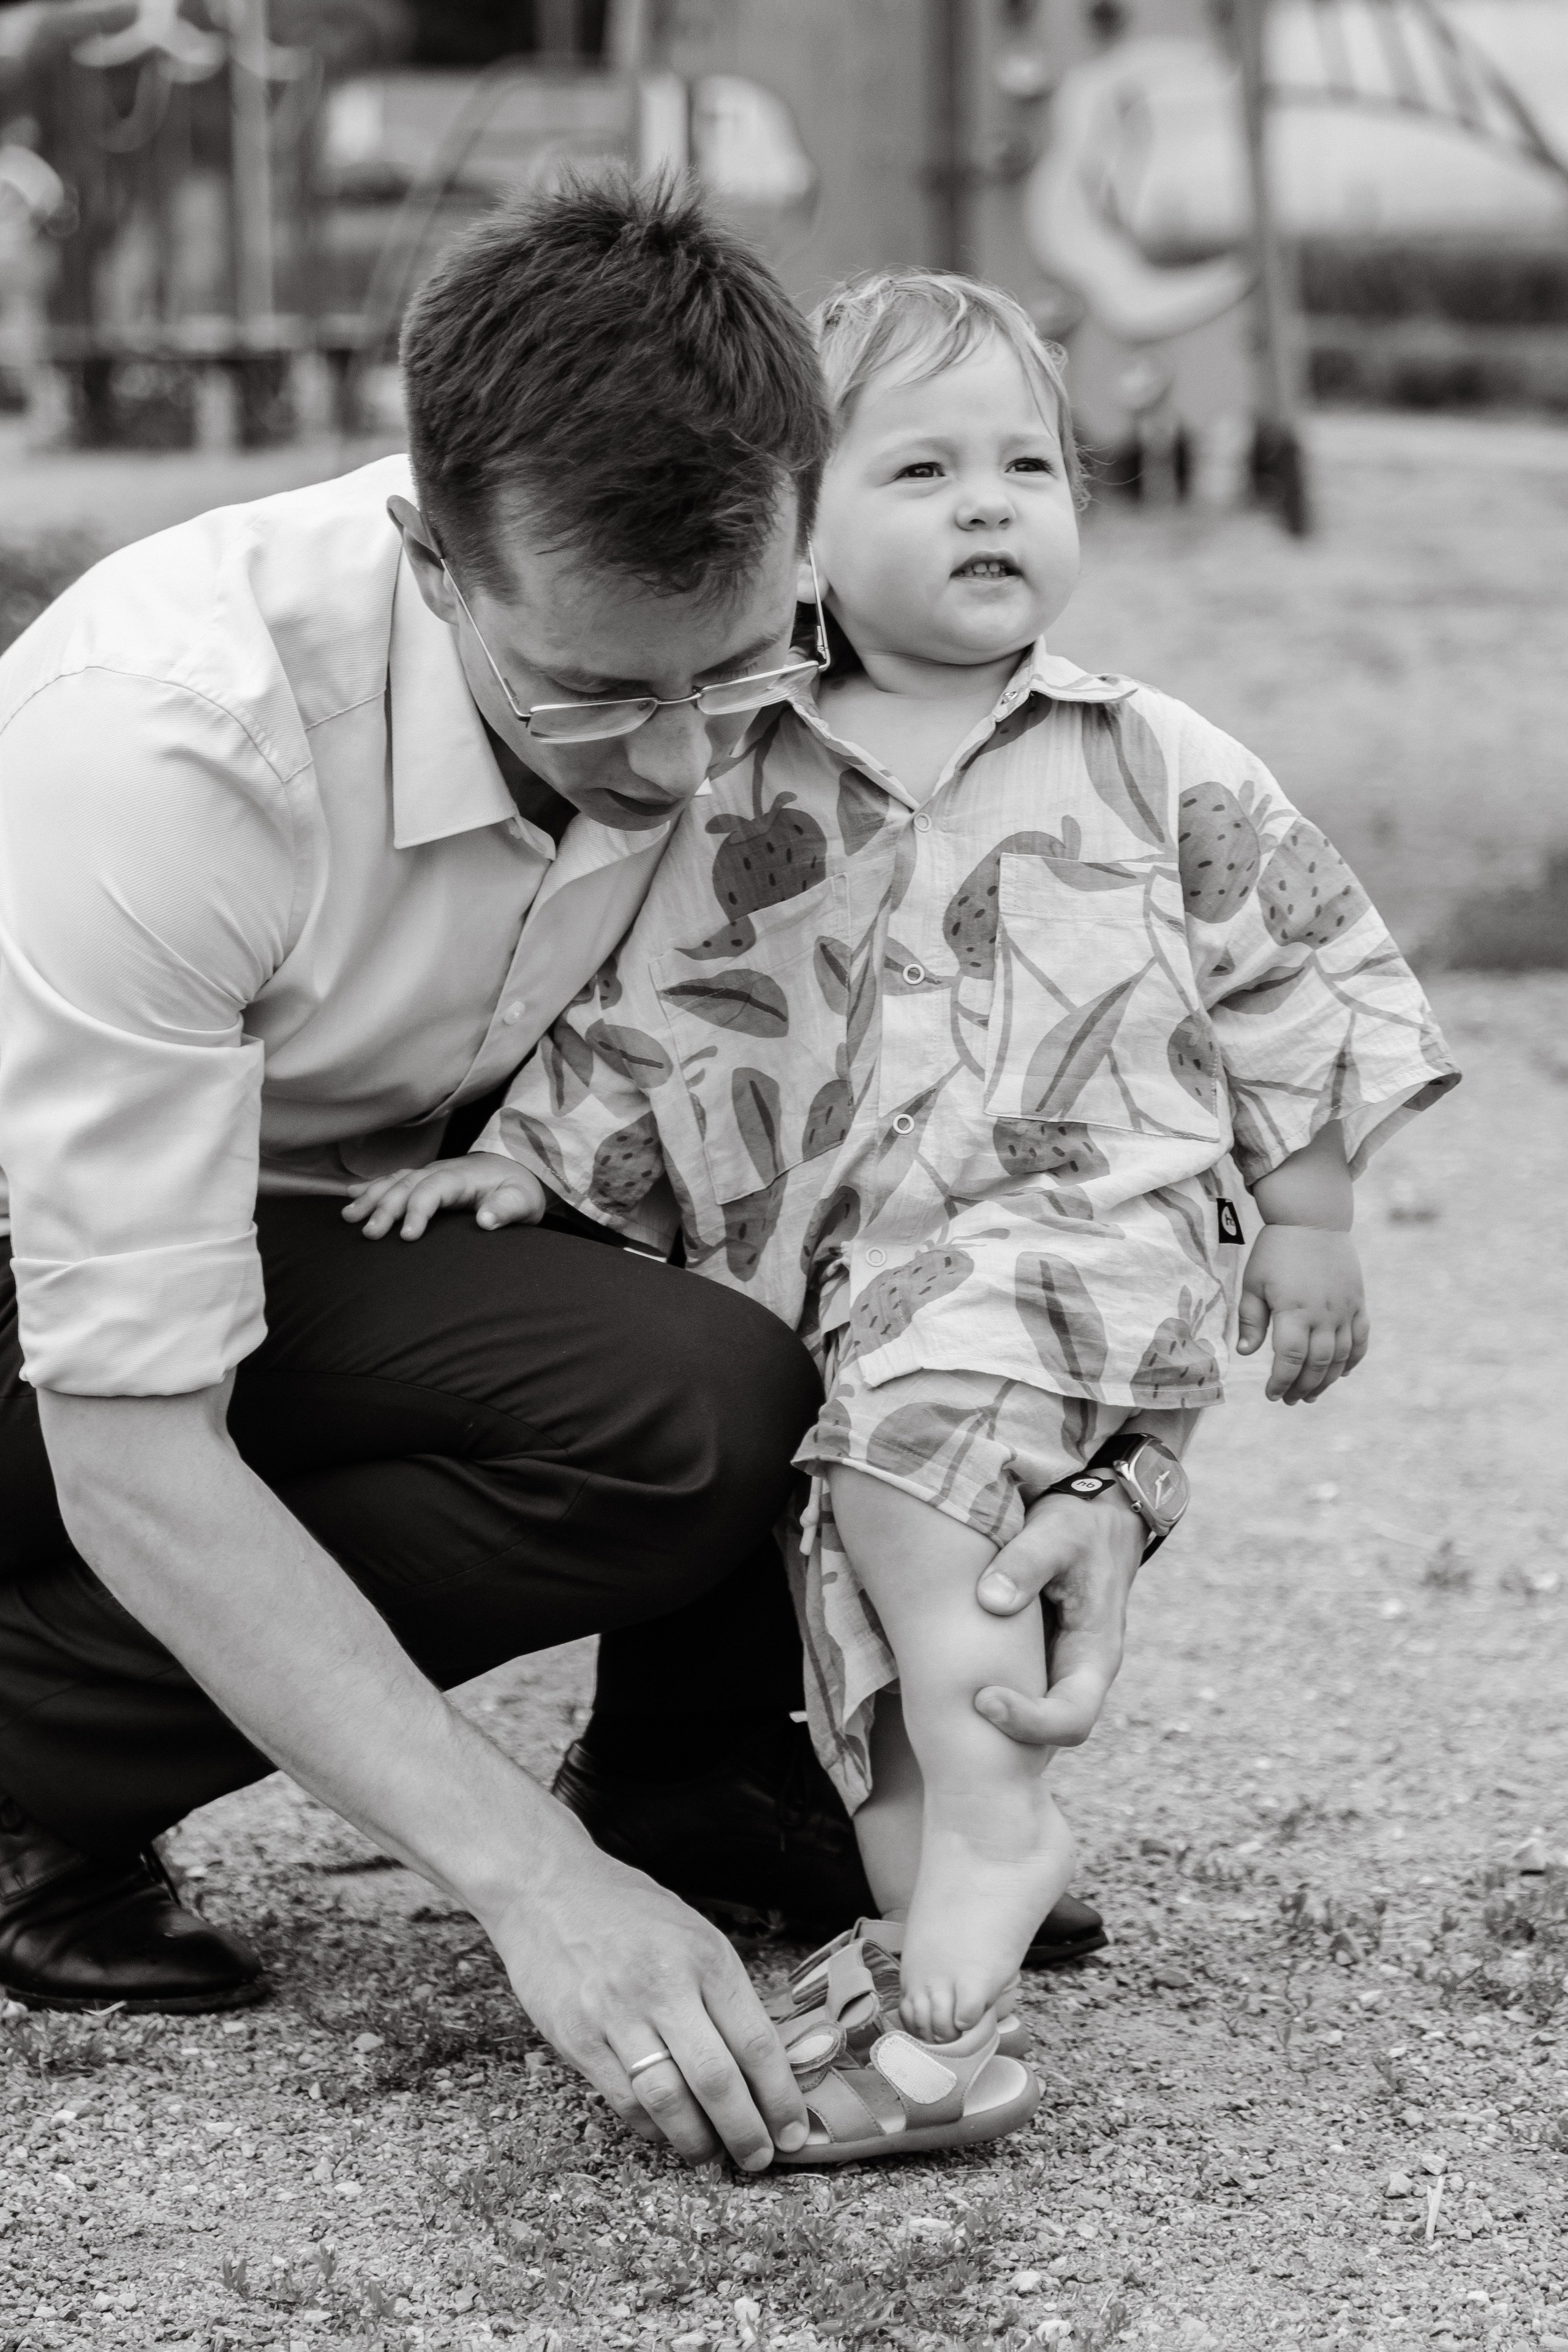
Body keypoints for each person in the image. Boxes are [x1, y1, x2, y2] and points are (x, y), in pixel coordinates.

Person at [0, 190, 1106, 2171]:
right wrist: (526, 1886)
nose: (684, 764)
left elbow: (1030, 1030)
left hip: (341, 1221)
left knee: (698, 1392)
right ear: (434, 557)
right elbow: (129, 1437)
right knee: (200, 1462)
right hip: (40, 1280)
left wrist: (1096, 1466)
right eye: (596, 699)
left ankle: (687, 1768)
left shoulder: (766, 589)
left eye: (736, 674)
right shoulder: (167, 743)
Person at [354, 268, 1459, 2152]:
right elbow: (647, 1008)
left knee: (913, 1484)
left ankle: (1003, 1832)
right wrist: (523, 1157)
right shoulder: (738, 773)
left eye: (1028, 463)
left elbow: (1293, 975)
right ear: (789, 532)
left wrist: (1316, 1214)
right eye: (924, 467)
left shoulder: (1150, 754)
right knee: (856, 1611)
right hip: (864, 1294)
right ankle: (935, 2006)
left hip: (1068, 1238)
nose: (988, 504)